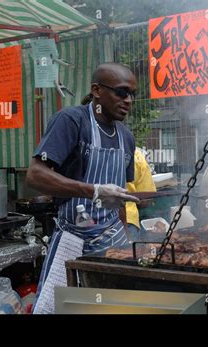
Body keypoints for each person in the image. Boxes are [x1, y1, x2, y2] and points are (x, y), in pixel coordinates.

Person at [27, 63, 140, 313]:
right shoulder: (71, 121)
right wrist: (95, 191)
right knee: (61, 309)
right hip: (73, 239)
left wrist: (129, 242)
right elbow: (35, 175)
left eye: (132, 94)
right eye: (121, 92)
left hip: (113, 238)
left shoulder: (127, 137)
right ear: (97, 90)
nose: (129, 100)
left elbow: (119, 197)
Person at [125, 148, 157, 242]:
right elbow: (147, 198)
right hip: (128, 220)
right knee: (127, 254)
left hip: (91, 219)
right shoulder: (137, 156)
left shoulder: (89, 148)